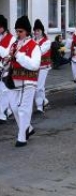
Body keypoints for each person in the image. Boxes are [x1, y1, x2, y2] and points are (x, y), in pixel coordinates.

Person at [7, 16, 41, 147]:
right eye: (16, 31)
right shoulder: (16, 44)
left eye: (20, 31)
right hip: (15, 79)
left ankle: (22, 137)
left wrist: (18, 55)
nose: (18, 34)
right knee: (14, 107)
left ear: (27, 31)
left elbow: (35, 65)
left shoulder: (34, 46)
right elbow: (11, 60)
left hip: (29, 80)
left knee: (24, 109)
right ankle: (28, 128)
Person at [33, 19, 51, 113]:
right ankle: (44, 101)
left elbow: (40, 51)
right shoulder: (33, 40)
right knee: (39, 86)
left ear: (42, 31)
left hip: (44, 66)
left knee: (39, 87)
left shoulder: (47, 41)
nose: (36, 32)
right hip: (35, 67)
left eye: (38, 31)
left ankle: (40, 106)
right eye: (35, 31)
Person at [0, 15, 16, 124]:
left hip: (7, 67)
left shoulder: (12, 38)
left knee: (4, 91)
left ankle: (3, 114)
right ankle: (8, 110)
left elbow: (6, 53)